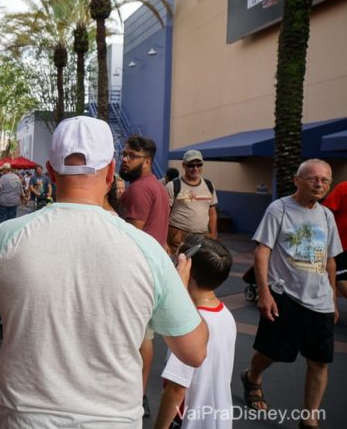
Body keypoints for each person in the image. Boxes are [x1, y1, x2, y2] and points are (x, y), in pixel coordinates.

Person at [0, 116, 207, 427]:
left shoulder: (5, 238)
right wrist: (184, 291)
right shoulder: (147, 251)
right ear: (109, 171)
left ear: (50, 171)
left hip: (24, 421)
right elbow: (194, 352)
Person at [241, 159, 340, 429]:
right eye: (313, 178)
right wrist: (264, 293)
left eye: (325, 180)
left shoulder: (327, 216)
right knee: (271, 351)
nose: (320, 184)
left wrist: (332, 300)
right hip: (285, 296)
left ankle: (310, 417)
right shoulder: (279, 209)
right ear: (297, 180)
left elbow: (330, 261)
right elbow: (262, 253)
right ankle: (252, 376)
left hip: (319, 301)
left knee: (319, 361)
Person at [155, 234, 237, 429]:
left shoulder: (189, 325)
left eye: (176, 260)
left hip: (189, 421)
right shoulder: (225, 315)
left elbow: (176, 389)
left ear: (187, 271)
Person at [118, 135, 171, 417]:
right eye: (123, 154)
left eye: (131, 156)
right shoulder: (156, 187)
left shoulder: (138, 190)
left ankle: (136, 397)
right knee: (145, 337)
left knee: (141, 339)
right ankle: (139, 394)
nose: (124, 159)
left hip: (138, 273)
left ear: (147, 161)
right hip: (152, 270)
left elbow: (132, 236)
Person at [166, 150, 218, 250]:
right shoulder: (173, 186)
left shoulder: (209, 185)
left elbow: (212, 213)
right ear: (184, 165)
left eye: (199, 165)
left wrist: (213, 234)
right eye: (191, 165)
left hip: (203, 237)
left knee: (199, 265)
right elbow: (164, 214)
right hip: (178, 237)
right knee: (178, 264)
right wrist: (164, 240)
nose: (195, 168)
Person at [322, 180, 347, 302]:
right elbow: (326, 212)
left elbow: (326, 211)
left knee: (341, 275)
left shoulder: (343, 187)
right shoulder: (343, 188)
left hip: (342, 244)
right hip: (341, 243)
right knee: (341, 275)